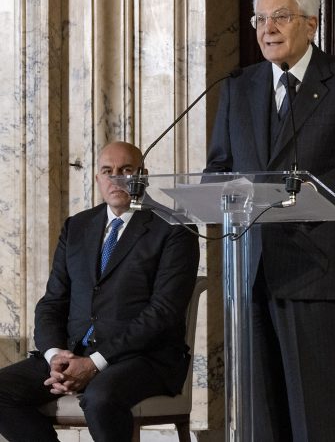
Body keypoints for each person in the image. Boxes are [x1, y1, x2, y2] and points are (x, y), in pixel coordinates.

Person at [205, 0, 335, 441]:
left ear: (310, 23)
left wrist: (308, 189)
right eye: (260, 19)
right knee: (259, 415)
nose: (267, 29)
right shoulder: (239, 85)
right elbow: (217, 170)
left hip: (312, 270)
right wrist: (223, 191)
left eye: (280, 17)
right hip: (248, 272)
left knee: (313, 412)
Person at [0, 141, 200, 442]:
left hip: (143, 358)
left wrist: (95, 362)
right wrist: (55, 356)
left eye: (126, 170)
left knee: (100, 398)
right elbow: (52, 302)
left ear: (143, 176)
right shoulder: (77, 227)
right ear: (97, 178)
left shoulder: (174, 228)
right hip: (73, 351)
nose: (116, 179)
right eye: (108, 171)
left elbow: (163, 313)